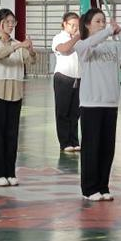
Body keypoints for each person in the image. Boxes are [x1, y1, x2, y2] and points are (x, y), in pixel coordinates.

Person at [60, 9, 121, 201]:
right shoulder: (83, 45)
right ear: (87, 25)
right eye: (98, 21)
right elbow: (86, 44)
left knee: (107, 148)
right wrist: (107, 32)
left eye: (104, 21)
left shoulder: (113, 47)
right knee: (92, 147)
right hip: (91, 104)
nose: (102, 24)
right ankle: (89, 189)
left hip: (110, 103)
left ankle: (103, 186)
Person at [0, 9, 34, 187]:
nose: (11, 25)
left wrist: (30, 50)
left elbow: (31, 61)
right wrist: (17, 47)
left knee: (12, 135)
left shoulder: (18, 44)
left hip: (15, 92)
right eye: (8, 22)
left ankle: (10, 172)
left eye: (13, 22)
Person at [52, 12, 81, 153]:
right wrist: (76, 38)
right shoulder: (59, 37)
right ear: (64, 24)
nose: (75, 28)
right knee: (63, 111)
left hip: (78, 78)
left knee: (75, 112)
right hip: (63, 77)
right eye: (72, 25)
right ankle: (64, 142)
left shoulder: (79, 39)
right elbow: (64, 49)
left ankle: (74, 140)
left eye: (77, 25)